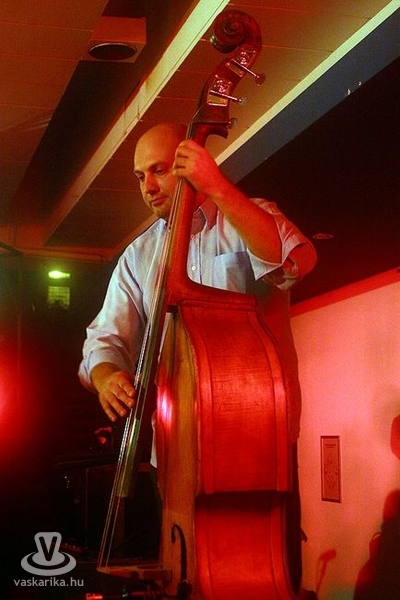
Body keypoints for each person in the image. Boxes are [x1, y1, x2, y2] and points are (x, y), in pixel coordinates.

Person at [79, 122, 316, 431]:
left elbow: (294, 266)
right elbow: (104, 338)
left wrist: (216, 185)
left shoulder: (252, 214)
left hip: (258, 426)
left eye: (159, 170)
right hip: (176, 436)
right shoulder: (138, 256)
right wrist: (106, 376)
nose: (148, 187)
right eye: (141, 177)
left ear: (192, 164)